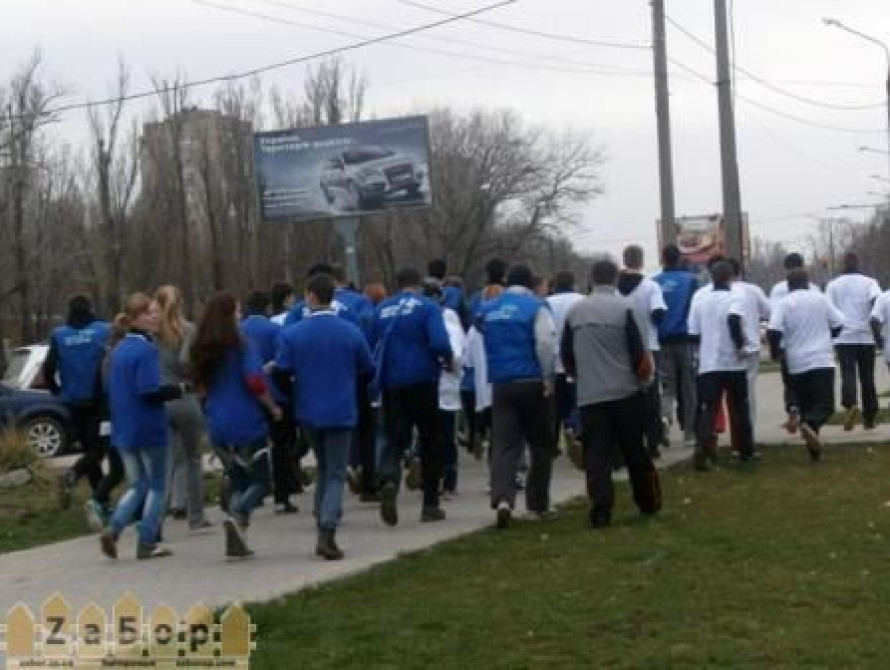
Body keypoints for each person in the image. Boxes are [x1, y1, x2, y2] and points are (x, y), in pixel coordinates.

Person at [276, 273, 374, 560]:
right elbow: (368, 369)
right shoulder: (350, 331)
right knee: (335, 471)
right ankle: (327, 528)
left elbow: (281, 371)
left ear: (309, 296)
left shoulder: (293, 334)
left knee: (323, 465)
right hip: (342, 409)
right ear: (334, 296)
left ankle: (322, 513)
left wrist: (294, 395)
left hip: (308, 409)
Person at [562, 257, 662, 528]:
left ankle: (601, 510)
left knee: (597, 455)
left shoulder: (575, 312)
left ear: (592, 280)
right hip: (625, 392)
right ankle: (647, 501)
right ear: (615, 279)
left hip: (590, 395)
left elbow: (566, 356)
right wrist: (644, 382)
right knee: (634, 451)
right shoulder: (625, 308)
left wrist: (579, 377)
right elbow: (640, 356)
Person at [191, 292, 282, 559]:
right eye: (238, 311)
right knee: (262, 481)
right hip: (246, 421)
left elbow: (200, 388)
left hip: (217, 423)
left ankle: (237, 535)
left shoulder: (202, 348)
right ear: (230, 315)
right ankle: (238, 514)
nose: (241, 315)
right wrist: (272, 406)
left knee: (237, 480)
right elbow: (254, 380)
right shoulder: (243, 346)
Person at [100, 294, 187, 560]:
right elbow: (149, 391)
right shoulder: (147, 350)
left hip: (124, 428)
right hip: (148, 426)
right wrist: (179, 390)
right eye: (149, 313)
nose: (156, 316)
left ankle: (113, 529)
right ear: (136, 318)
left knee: (137, 486)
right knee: (158, 487)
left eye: (155, 311)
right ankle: (147, 541)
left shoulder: (118, 349)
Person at [373, 267, 453, 526]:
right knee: (431, 440)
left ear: (396, 283)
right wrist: (447, 359)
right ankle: (430, 503)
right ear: (418, 284)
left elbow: (371, 343)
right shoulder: (427, 307)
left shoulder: (382, 309)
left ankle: (389, 480)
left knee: (395, 439)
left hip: (392, 382)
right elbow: (440, 342)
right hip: (423, 380)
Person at [479, 264, 557, 529]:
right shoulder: (536, 307)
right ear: (530, 284)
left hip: (501, 382)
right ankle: (537, 503)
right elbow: (545, 343)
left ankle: (502, 498)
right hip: (531, 380)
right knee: (541, 442)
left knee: (504, 443)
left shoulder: (488, 308)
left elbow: (480, 328)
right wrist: (548, 377)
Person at [768, 269, 845, 462]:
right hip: (821, 359)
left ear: (789, 285)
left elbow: (773, 330)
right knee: (825, 406)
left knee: (807, 405)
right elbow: (839, 323)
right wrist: (828, 336)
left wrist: (775, 352)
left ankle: (814, 453)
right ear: (808, 282)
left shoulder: (784, 303)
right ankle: (810, 425)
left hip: (796, 363)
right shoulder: (820, 298)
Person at [44, 296, 112, 510]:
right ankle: (72, 475)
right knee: (98, 451)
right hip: (99, 402)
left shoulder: (59, 335)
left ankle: (101, 502)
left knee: (90, 450)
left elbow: (48, 369)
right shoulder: (103, 330)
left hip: (73, 402)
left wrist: (57, 390)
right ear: (91, 308)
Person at [687, 260, 755, 470]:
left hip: (708, 364)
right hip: (732, 362)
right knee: (739, 407)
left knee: (708, 408)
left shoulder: (700, 300)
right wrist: (740, 346)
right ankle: (745, 450)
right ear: (730, 278)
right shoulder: (736, 297)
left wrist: (703, 351)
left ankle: (703, 444)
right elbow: (734, 321)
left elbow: (693, 332)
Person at [155, 285, 212, 531]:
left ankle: (156, 520)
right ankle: (196, 516)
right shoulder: (188, 330)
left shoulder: (152, 332)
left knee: (165, 463)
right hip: (185, 399)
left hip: (159, 401)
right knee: (193, 459)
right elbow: (186, 362)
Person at [241, 290, 299, 515]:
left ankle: (254, 491)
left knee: (255, 446)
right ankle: (283, 495)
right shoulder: (275, 330)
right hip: (274, 394)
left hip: (248, 395)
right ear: (267, 308)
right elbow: (284, 361)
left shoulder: (239, 330)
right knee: (281, 445)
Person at [618, 245, 668, 456]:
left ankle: (629, 440)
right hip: (649, 347)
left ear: (624, 260)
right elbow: (658, 312)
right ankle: (653, 441)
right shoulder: (650, 286)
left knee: (626, 395)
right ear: (641, 261)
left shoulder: (614, 287)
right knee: (650, 395)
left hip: (621, 348)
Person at [826, 252, 882, 430]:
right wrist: (877, 330)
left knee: (848, 373)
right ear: (858, 263)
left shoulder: (833, 285)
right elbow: (876, 301)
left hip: (844, 337)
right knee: (867, 378)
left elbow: (828, 309)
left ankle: (851, 404)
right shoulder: (870, 282)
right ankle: (870, 416)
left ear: (844, 264)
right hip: (866, 337)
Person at [652, 244, 699, 448]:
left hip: (662, 342)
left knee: (666, 387)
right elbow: (695, 309)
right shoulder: (690, 281)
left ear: (663, 259)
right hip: (685, 340)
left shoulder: (654, 283)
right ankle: (689, 432)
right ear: (679, 258)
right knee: (689, 388)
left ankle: (664, 419)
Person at [769, 253, 821, 433]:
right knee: (810, 384)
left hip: (786, 343)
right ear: (803, 265)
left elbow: (774, 315)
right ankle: (809, 419)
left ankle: (792, 411)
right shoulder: (813, 288)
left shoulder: (777, 289)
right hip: (811, 343)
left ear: (785, 268)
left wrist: (774, 348)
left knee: (790, 382)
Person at [424, 277, 466, 497]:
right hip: (446, 385)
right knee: (445, 436)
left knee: (431, 435)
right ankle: (447, 480)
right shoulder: (449, 319)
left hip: (430, 384)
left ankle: (436, 476)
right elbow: (459, 352)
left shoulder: (443, 319)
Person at [726, 258, 771, 445]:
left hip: (724, 350)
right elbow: (769, 312)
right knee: (747, 394)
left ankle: (735, 434)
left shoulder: (712, 292)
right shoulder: (752, 290)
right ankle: (747, 434)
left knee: (729, 395)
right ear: (739, 272)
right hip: (749, 347)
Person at [545, 270, 585, 461]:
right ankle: (576, 431)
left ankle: (552, 443)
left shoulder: (546, 303)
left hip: (553, 362)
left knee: (554, 406)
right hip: (576, 360)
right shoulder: (582, 301)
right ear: (573, 284)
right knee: (577, 401)